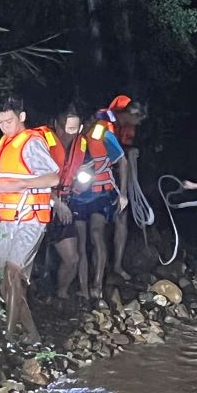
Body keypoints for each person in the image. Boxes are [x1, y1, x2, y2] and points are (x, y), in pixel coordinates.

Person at [0, 96, 60, 343]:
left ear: (21, 117)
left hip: (31, 218)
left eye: (8, 121)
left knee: (13, 274)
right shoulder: (4, 142)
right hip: (8, 220)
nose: (4, 126)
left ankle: (8, 336)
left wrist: (21, 184)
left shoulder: (32, 142)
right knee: (6, 284)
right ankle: (33, 335)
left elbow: (53, 178)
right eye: (0, 122)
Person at [68, 113, 127, 300]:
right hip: (78, 195)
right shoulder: (69, 137)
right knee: (80, 241)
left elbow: (122, 161)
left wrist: (123, 194)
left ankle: (97, 285)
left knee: (96, 234)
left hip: (101, 193)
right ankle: (84, 289)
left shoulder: (103, 135)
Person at [96, 94, 145, 280]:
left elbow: (122, 151)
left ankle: (117, 264)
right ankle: (99, 271)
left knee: (121, 219)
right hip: (99, 178)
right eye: (137, 118)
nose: (138, 124)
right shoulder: (103, 123)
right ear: (130, 114)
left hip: (116, 176)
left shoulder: (124, 126)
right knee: (98, 225)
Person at [45, 107, 83, 300]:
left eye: (73, 130)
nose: (69, 134)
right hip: (41, 208)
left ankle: (62, 295)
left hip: (65, 206)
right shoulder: (42, 144)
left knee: (73, 259)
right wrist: (56, 202)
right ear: (56, 126)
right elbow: (35, 179)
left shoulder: (80, 144)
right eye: (66, 129)